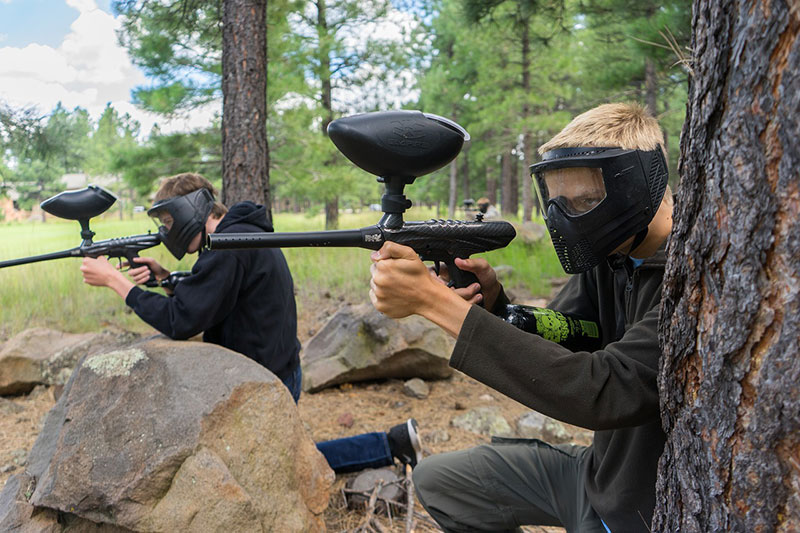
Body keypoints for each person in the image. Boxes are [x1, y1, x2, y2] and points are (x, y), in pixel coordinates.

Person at [368, 103, 672, 532]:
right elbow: (571, 335)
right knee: (441, 481)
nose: (567, 218)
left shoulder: (690, 283)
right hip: (597, 477)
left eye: (586, 200)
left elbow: (603, 389)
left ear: (641, 184)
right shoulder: (612, 256)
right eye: (558, 200)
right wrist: (497, 306)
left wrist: (436, 305)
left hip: (641, 511)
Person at [80, 172, 422, 473]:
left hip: (265, 381)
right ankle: (391, 444)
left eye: (169, 221)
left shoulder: (229, 247)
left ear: (192, 209)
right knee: (269, 459)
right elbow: (215, 294)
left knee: (276, 466)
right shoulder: (238, 235)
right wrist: (168, 279)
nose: (166, 230)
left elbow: (181, 320)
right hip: (276, 368)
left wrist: (116, 282)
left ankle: (389, 445)